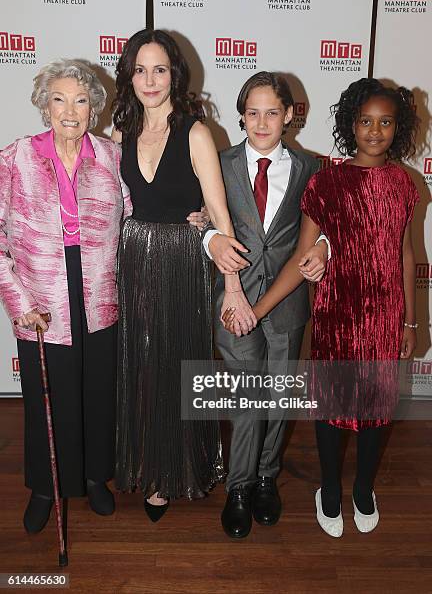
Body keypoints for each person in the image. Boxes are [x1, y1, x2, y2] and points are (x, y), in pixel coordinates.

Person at [224, 78, 419, 537]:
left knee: (378, 407)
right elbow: (301, 256)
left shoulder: (404, 184)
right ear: (350, 124)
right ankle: (328, 489)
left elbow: (406, 253)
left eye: (385, 122)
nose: (374, 131)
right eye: (365, 121)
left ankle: (364, 488)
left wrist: (411, 318)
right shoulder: (326, 181)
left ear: (399, 128)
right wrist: (261, 306)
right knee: (331, 408)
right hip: (336, 313)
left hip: (387, 314)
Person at [112, 29, 255, 521]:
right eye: (140, 69)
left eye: (160, 69)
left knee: (177, 364)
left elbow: (219, 216)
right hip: (132, 258)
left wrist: (232, 288)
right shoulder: (120, 133)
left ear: (176, 74)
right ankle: (149, 469)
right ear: (128, 76)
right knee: (140, 365)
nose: (150, 80)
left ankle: (179, 468)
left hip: (181, 262)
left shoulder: (196, 131)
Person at [0, 59, 132, 533]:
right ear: (44, 104)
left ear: (94, 107)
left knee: (99, 391)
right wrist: (19, 302)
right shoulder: (14, 158)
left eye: (81, 99)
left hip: (98, 290)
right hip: (40, 295)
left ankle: (97, 477)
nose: (70, 110)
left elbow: (134, 219)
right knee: (46, 397)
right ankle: (44, 486)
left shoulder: (111, 156)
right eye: (59, 98)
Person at [203, 71, 329, 538]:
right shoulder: (219, 163)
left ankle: (264, 478)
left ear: (290, 115)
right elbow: (201, 221)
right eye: (252, 112)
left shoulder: (310, 169)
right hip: (233, 301)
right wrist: (212, 239)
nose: (261, 121)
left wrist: (324, 249)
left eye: (272, 112)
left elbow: (323, 228)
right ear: (241, 116)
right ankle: (237, 488)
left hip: (288, 303)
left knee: (278, 397)